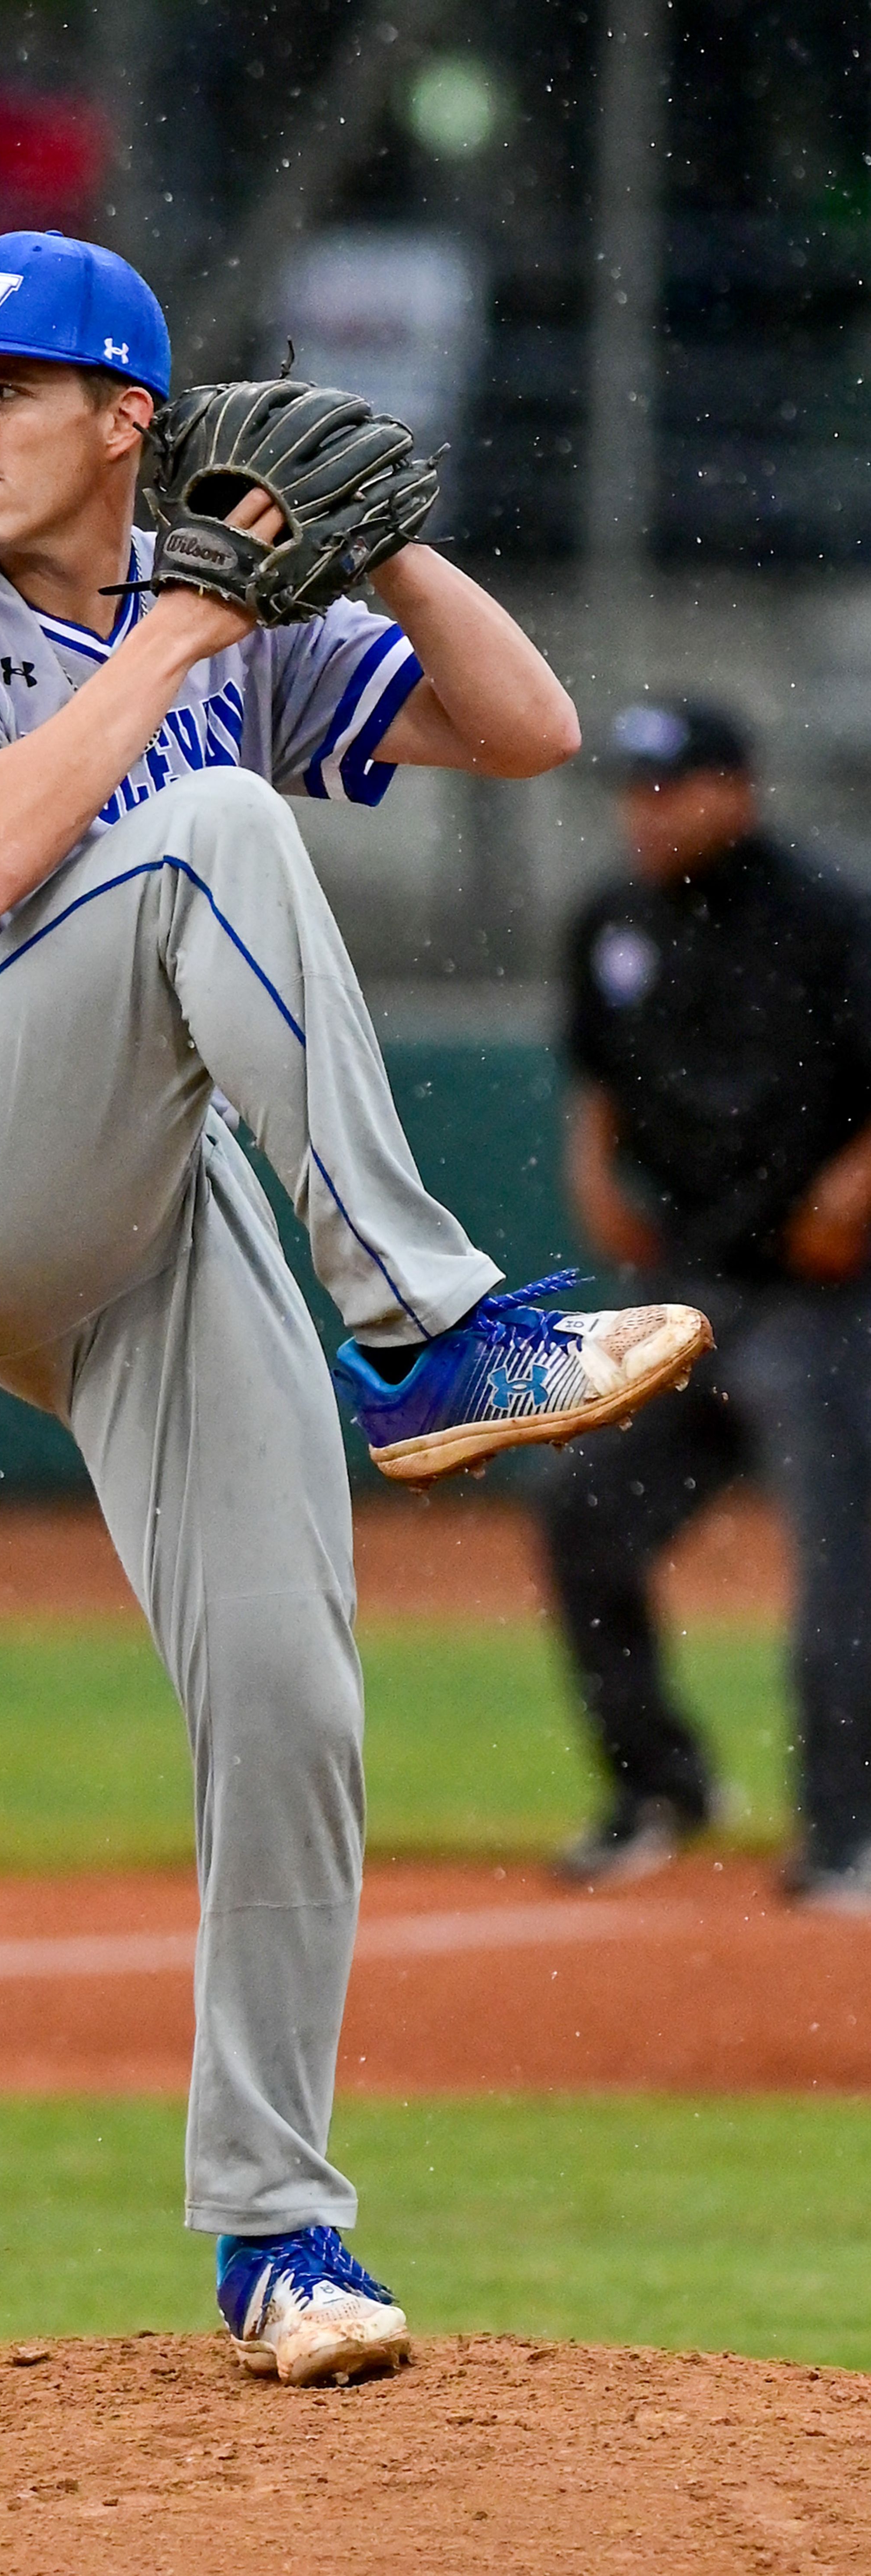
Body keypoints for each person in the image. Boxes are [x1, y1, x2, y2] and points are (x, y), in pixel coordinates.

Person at [0, 230, 708, 2386]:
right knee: (205, 823)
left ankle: (280, 2231)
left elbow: (532, 724)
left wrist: (383, 548)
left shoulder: (204, 615)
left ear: (133, 420)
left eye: (10, 386)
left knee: (293, 1691)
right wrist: (200, 614)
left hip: (143, 1205)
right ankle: (433, 1323)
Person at [546, 699, 871, 1909]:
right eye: (633, 789)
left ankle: (848, 1836)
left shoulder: (828, 915)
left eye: (670, 788)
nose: (647, 810)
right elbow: (593, 1074)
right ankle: (660, 1788)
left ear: (738, 789)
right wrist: (591, 1170)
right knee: (588, 1521)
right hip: (684, 1289)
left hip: (817, 1298)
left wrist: (853, 1185)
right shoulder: (614, 919)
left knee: (841, 1570)